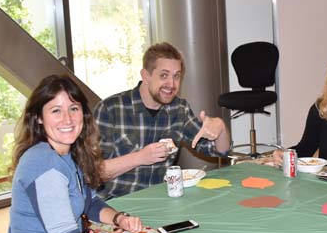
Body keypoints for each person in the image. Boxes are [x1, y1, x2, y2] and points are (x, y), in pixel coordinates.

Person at [7, 75, 192, 233]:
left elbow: (91, 201)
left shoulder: (65, 156)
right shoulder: (44, 163)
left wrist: (118, 218)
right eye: (56, 110)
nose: (68, 119)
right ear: (39, 117)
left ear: (84, 113)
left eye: (74, 108)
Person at [94, 42, 230, 198]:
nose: (171, 84)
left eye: (176, 76)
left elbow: (220, 151)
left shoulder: (179, 109)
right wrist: (140, 157)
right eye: (163, 75)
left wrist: (220, 127)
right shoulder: (110, 109)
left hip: (160, 201)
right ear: (146, 75)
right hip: (115, 205)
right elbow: (96, 174)